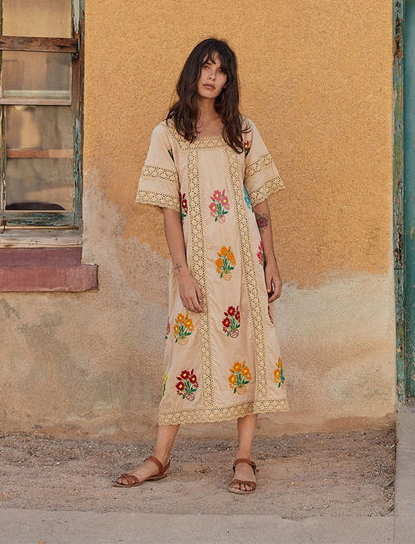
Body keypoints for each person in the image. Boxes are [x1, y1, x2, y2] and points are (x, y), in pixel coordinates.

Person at [113, 38, 288, 494]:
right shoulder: (168, 134)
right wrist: (182, 271)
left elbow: (261, 201)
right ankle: (160, 457)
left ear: (228, 80)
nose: (212, 76)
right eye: (206, 67)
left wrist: (272, 262)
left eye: (221, 70)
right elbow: (169, 209)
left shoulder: (242, 131)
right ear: (193, 72)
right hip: (197, 267)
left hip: (245, 263)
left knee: (247, 347)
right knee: (183, 353)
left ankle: (245, 457)